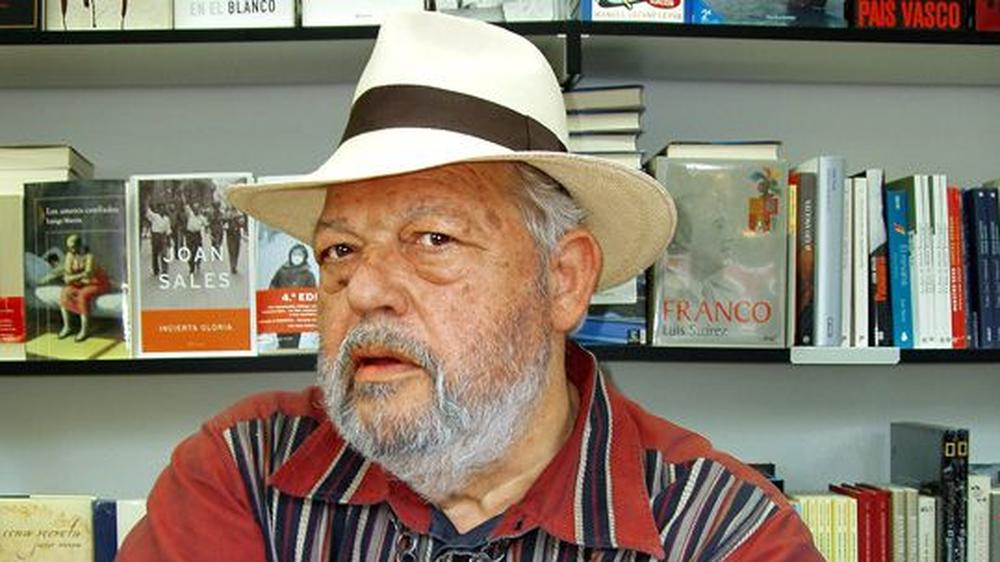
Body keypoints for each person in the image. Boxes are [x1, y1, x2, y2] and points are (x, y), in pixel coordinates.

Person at [118, 12, 822, 562]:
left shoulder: (720, 531)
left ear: (563, 280)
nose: (364, 291)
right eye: (340, 250)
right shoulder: (246, 470)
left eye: (433, 239)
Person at [57, 234, 110, 342]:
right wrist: (75, 277)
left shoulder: (89, 256)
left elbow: (88, 274)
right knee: (65, 292)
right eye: (69, 247)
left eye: (73, 247)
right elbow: (68, 273)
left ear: (79, 245)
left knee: (83, 295)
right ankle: (67, 327)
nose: (71, 250)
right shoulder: (69, 255)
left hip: (97, 282)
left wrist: (72, 278)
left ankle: (85, 330)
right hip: (81, 283)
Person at [269, 243, 317, 349]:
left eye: (299, 255)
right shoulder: (282, 271)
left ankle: (291, 350)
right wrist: (273, 298)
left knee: (294, 338)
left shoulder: (308, 275)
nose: (296, 257)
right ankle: (282, 347)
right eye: (294, 254)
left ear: (304, 257)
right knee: (281, 335)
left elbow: (312, 294)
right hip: (281, 311)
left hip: (296, 313)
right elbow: (273, 284)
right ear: (290, 255)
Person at [145, 203, 172, 277]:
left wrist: (169, 240)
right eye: (160, 209)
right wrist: (147, 203)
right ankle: (156, 269)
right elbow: (148, 212)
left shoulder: (166, 219)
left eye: (163, 208)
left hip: (163, 237)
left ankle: (165, 271)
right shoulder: (155, 216)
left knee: (164, 254)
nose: (162, 210)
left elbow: (168, 230)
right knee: (155, 254)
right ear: (158, 210)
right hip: (155, 236)